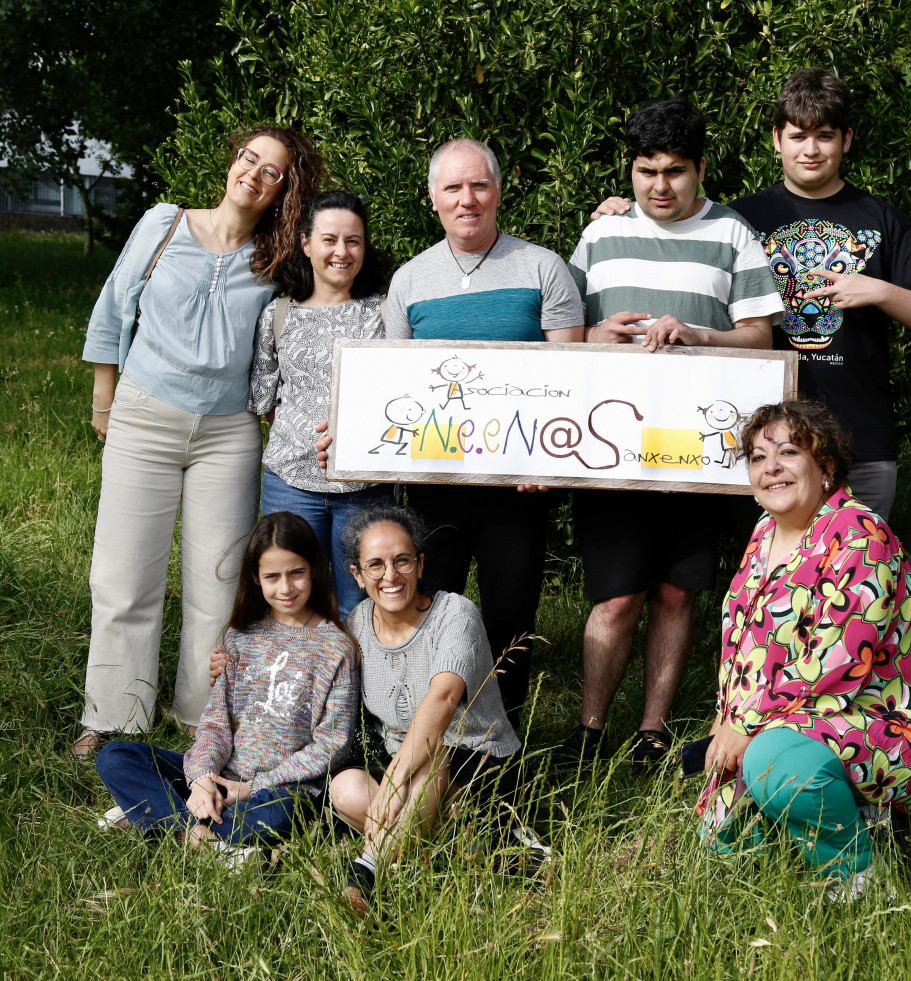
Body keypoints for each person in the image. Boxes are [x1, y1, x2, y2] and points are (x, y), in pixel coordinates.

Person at [593, 71, 911, 520]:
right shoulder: (736, 220)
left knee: (860, 569)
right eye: (798, 135)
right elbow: (670, 217)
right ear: (776, 139)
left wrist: (880, 290)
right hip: (761, 438)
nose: (810, 149)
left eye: (824, 136)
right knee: (777, 576)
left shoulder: (882, 220)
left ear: (846, 140)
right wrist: (622, 211)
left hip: (860, 434)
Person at [74, 125, 323, 759]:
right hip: (143, 416)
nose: (254, 173)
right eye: (249, 158)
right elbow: (111, 308)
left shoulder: (277, 261)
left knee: (218, 584)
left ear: (285, 191)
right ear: (233, 160)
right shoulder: (164, 224)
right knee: (124, 574)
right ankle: (113, 715)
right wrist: (105, 403)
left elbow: (334, 295)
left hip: (229, 434)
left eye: (273, 171)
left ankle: (198, 717)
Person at [557, 98, 785, 773]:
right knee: (616, 594)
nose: (659, 186)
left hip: (700, 454)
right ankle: (589, 726)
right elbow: (563, 335)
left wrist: (698, 334)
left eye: (675, 172)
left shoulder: (733, 234)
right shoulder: (598, 236)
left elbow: (759, 337)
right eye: (645, 170)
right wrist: (596, 335)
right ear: (630, 169)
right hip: (613, 448)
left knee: (676, 592)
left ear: (700, 170)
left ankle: (651, 730)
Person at [698, 400, 911, 898]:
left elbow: (836, 660)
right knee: (720, 853)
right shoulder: (763, 535)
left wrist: (746, 725)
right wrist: (724, 715)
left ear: (827, 467)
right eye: (757, 457)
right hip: (789, 714)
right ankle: (817, 823)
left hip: (879, 717)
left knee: (775, 765)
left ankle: (858, 876)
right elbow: (743, 643)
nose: (770, 467)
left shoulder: (861, 534)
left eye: (789, 452)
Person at [369, 138, 584, 727]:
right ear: (434, 198)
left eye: (479, 186)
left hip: (519, 489)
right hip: (436, 486)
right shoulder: (410, 281)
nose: (468, 199)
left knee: (510, 618)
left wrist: (548, 464)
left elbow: (572, 380)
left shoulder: (543, 267)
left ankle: (500, 741)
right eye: (453, 188)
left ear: (497, 191)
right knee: (426, 609)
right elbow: (396, 388)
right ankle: (419, 735)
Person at [95, 512, 359, 861]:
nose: (285, 588)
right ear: (255, 577)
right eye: (272, 576)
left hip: (281, 789)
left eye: (296, 573)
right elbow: (216, 723)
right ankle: (199, 836)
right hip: (221, 774)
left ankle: (154, 813)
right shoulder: (240, 636)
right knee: (116, 756)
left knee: (282, 815)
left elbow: (332, 745)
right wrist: (204, 777)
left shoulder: (335, 647)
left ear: (313, 569)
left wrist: (252, 788)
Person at [328, 505, 543, 915]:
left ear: (420, 563)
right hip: (409, 774)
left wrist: (392, 781)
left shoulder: (455, 614)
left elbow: (443, 701)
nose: (390, 576)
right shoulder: (357, 624)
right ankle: (481, 847)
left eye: (402, 561)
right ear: (357, 575)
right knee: (346, 789)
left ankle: (368, 870)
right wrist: (234, 653)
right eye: (375, 565)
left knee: (430, 759)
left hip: (476, 765)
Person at [248, 190, 395, 618]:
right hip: (290, 484)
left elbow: (406, 399)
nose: (342, 252)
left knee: (362, 605)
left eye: (353, 241)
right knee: (293, 600)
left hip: (368, 488)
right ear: (306, 243)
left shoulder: (385, 313)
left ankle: (362, 686)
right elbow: (264, 400)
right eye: (329, 239)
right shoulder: (277, 315)